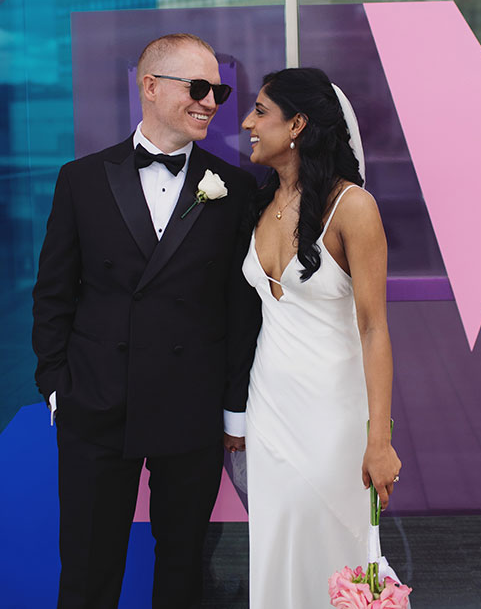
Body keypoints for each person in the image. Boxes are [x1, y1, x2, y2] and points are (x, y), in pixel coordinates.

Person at [32, 33, 261, 609]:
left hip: (191, 407)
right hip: (95, 403)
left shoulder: (236, 189)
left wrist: (233, 408)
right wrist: (57, 387)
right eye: (199, 88)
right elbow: (54, 293)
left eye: (218, 92)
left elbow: (241, 310)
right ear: (151, 86)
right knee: (87, 570)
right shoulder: (81, 179)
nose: (211, 102)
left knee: (182, 569)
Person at [240, 67, 402, 608]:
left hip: (333, 414)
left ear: (297, 124)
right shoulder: (260, 203)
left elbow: (374, 328)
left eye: (260, 111)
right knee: (276, 543)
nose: (247, 124)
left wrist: (378, 439)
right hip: (269, 408)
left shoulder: (353, 207)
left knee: (334, 546)